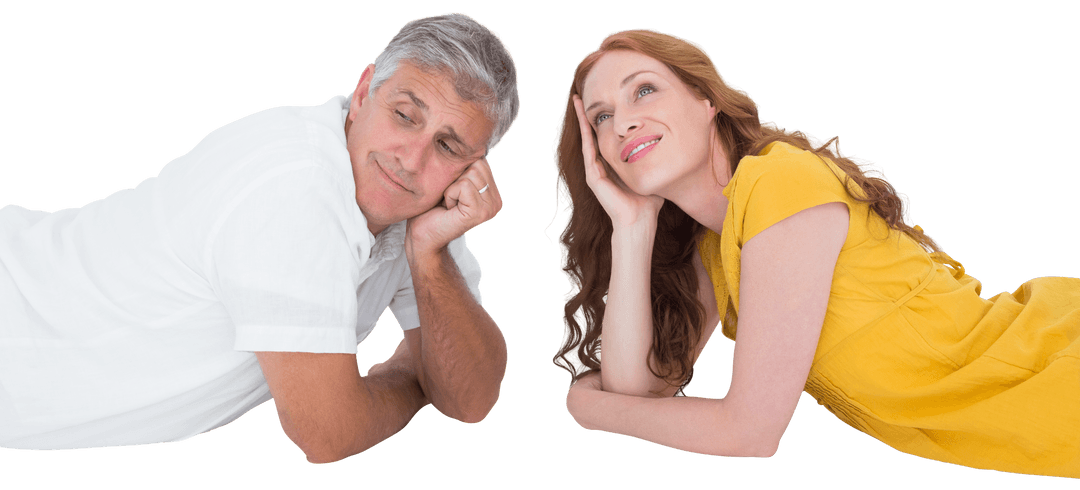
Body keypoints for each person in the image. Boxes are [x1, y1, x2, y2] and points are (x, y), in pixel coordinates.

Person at [550, 28, 1078, 477]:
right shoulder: (718, 245)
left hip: (1055, 374)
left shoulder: (779, 183)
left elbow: (749, 431)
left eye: (643, 91)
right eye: (600, 117)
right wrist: (633, 225)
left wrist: (589, 409)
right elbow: (637, 392)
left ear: (706, 101)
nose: (622, 123)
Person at [0, 12, 516, 464]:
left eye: (448, 147)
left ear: (473, 171)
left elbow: (469, 399)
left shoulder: (412, 207)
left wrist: (430, 255)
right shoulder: (295, 191)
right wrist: (413, 377)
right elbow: (328, 434)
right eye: (405, 115)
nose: (412, 158)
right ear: (363, 94)